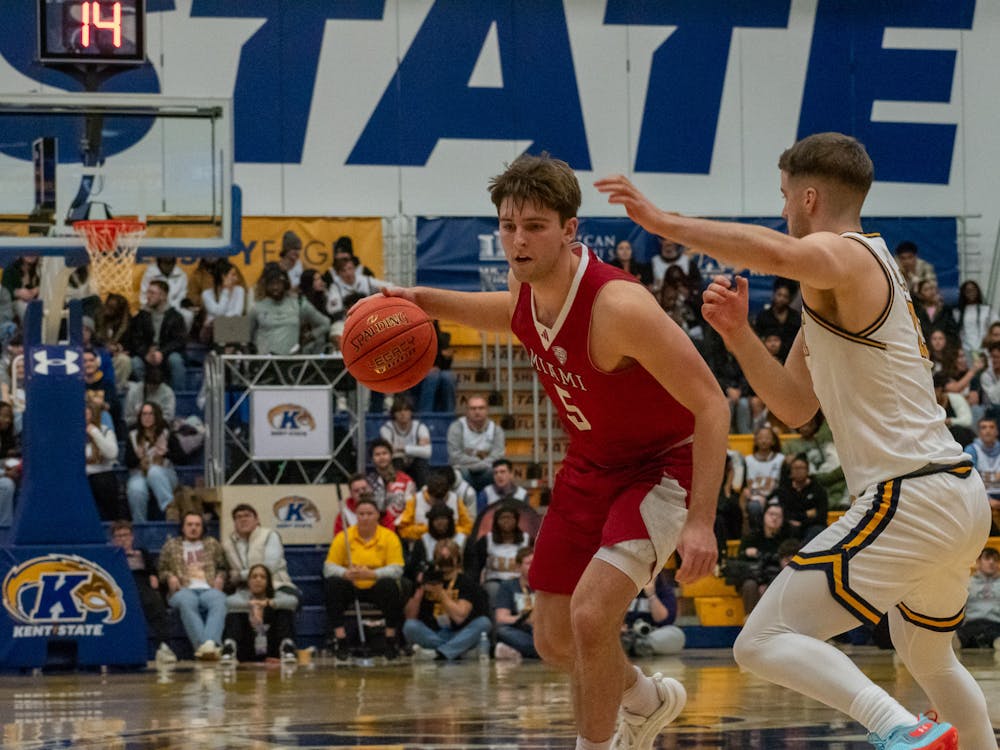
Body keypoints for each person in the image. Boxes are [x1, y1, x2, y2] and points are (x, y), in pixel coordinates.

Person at [597, 131, 994, 748]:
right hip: (951, 495)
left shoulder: (849, 256)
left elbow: (780, 254)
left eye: (785, 197)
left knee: (761, 641)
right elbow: (795, 407)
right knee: (932, 659)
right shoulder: (842, 284)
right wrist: (738, 336)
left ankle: (901, 730)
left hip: (910, 496)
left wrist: (661, 221)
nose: (782, 211)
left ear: (809, 198)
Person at [381, 154, 728, 749]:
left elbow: (713, 404)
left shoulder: (620, 307)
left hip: (661, 465)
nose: (518, 239)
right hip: (591, 462)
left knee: (592, 617)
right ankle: (644, 700)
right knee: (555, 639)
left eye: (535, 225)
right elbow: (509, 313)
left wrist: (700, 521)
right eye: (509, 225)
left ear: (570, 230)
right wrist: (422, 300)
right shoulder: (528, 284)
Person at [323, 496, 405, 660]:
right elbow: (328, 568)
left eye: (369, 513)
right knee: (332, 584)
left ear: (377, 516)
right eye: (361, 514)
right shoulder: (344, 536)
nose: (365, 517)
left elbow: (397, 569)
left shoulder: (389, 537)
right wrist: (344, 573)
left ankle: (390, 639)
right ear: (356, 515)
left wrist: (373, 574)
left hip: (376, 585)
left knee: (391, 585)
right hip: (351, 585)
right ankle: (341, 639)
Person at [402, 538, 492, 661]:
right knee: (409, 626)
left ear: (457, 560)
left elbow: (459, 617)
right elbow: (410, 617)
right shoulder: (427, 579)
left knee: (484, 623)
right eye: (441, 559)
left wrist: (441, 593)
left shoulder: (466, 582)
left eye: (449, 559)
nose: (445, 563)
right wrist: (419, 591)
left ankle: (439, 653)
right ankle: (458, 651)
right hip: (434, 633)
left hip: (460, 632)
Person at [157, 511, 229, 660]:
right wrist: (170, 576)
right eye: (189, 524)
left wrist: (220, 577)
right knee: (187, 601)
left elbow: (223, 567)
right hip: (182, 589)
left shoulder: (212, 544)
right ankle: (205, 646)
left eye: (197, 525)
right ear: (183, 528)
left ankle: (208, 644)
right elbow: (161, 570)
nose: (194, 528)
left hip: (208, 588)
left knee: (220, 599)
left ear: (202, 528)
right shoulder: (171, 545)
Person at [109, 521, 176, 666]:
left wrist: (153, 575)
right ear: (113, 539)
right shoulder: (110, 555)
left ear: (132, 537)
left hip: (142, 582)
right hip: (121, 585)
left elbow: (152, 570)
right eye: (118, 536)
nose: (122, 539)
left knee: (154, 601)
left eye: (126, 535)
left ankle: (164, 647)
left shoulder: (141, 552)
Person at [221, 504, 299, 613]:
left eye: (247, 516)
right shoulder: (228, 544)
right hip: (245, 589)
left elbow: (269, 567)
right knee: (225, 604)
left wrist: (241, 575)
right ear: (234, 523)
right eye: (238, 517)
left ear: (257, 520)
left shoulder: (270, 535)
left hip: (275, 584)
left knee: (290, 601)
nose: (243, 519)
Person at [727, 502, 798, 615]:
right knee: (749, 585)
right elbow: (740, 562)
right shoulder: (751, 537)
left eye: (778, 516)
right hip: (753, 577)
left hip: (777, 577)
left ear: (783, 519)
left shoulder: (788, 537)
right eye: (771, 514)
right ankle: (749, 622)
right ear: (764, 515)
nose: (774, 518)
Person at [220, 564, 298, 664]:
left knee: (284, 611)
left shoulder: (275, 595)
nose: (258, 580)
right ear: (248, 581)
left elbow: (293, 601)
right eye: (254, 576)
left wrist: (268, 603)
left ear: (268, 581)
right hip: (247, 646)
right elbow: (229, 602)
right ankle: (229, 649)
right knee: (233, 614)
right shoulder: (242, 595)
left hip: (271, 646)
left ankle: (287, 648)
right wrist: (251, 606)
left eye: (262, 577)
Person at [465, 500, 532, 607]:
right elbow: (476, 566)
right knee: (492, 589)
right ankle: (496, 620)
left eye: (510, 517)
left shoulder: (527, 540)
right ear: (496, 521)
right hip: (495, 581)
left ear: (516, 520)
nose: (506, 521)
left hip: (519, 582)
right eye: (502, 518)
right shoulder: (487, 540)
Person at [249, 268, 330, 355]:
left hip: (291, 362)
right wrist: (255, 346)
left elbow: (325, 323)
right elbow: (242, 335)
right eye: (271, 284)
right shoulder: (257, 307)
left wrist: (309, 337)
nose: (275, 287)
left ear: (285, 284)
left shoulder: (299, 304)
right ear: (266, 286)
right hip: (264, 362)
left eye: (278, 283)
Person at [127, 279, 188, 393]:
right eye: (148, 292)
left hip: (166, 354)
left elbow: (179, 341)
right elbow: (135, 340)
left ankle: (179, 397)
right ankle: (145, 394)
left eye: (152, 293)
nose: (148, 296)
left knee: (175, 360)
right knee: (135, 362)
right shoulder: (141, 316)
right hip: (146, 354)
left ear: (163, 296)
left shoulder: (175, 316)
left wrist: (161, 352)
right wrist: (146, 354)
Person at [125, 401, 179, 522]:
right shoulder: (133, 435)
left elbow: (182, 458)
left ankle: (170, 509)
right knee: (135, 488)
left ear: (157, 416)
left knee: (154, 472)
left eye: (151, 414)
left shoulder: (166, 434)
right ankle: (140, 524)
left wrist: (166, 453)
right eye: (144, 414)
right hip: (140, 473)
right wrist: (138, 457)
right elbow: (128, 462)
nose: (147, 417)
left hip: (164, 473)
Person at [396, 468, 474, 545]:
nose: (439, 503)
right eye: (435, 499)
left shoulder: (456, 500)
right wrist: (428, 530)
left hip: (452, 548)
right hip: (421, 549)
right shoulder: (415, 501)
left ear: (447, 493)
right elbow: (402, 529)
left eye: (443, 499)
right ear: (428, 493)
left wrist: (449, 530)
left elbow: (469, 528)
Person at [447, 394, 506, 492]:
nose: (477, 411)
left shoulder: (496, 430)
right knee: (459, 474)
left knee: (500, 473)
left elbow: (498, 456)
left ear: (487, 410)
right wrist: (480, 463)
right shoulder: (456, 427)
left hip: (487, 471)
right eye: (473, 408)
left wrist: (479, 465)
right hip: (463, 470)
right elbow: (455, 456)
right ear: (467, 411)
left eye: (481, 408)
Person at [493, 545, 539, 661]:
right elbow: (501, 618)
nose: (533, 566)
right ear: (518, 567)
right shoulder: (508, 586)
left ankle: (521, 652)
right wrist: (523, 619)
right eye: (528, 563)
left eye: (535, 562)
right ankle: (541, 652)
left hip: (541, 628)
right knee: (502, 631)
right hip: (521, 629)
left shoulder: (545, 585)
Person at [772, 454, 829, 543]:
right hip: (790, 526)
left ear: (807, 470)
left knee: (817, 530)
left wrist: (801, 521)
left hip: (812, 527)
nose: (798, 471)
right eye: (795, 468)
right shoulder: (784, 489)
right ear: (790, 471)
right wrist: (806, 514)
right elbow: (784, 513)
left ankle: (800, 554)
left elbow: (821, 516)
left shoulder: (818, 489)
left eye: (801, 468)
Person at [379, 396, 431, 488]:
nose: (403, 413)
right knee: (397, 461)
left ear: (411, 412)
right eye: (399, 411)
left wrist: (402, 448)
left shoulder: (420, 427)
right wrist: (416, 447)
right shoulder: (386, 428)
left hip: (415, 465)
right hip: (397, 464)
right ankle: (396, 491)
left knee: (421, 463)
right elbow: (389, 451)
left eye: (406, 410)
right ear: (394, 413)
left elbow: (427, 452)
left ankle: (424, 494)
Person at [954, 547, 1000, 650]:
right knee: (959, 636)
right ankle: (956, 643)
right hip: (970, 626)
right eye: (987, 558)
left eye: (995, 559)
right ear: (978, 562)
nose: (991, 562)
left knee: (997, 637)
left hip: (996, 626)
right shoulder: (966, 583)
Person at [85, 400, 123, 520]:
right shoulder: (74, 434)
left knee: (102, 481)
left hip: (103, 476)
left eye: (86, 415)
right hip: (82, 477)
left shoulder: (105, 431)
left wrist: (95, 433)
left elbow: (112, 454)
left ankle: (113, 521)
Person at [366, 438, 416, 529]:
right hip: (376, 529)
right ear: (372, 459)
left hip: (401, 528)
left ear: (391, 455)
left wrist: (397, 524)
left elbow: (410, 509)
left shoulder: (406, 480)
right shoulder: (367, 482)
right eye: (377, 454)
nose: (381, 457)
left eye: (384, 453)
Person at [964, 416, 1000, 535]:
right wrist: (987, 500)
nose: (988, 430)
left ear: (997, 431)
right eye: (984, 427)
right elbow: (969, 481)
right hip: (981, 496)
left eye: (991, 427)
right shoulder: (971, 450)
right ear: (979, 432)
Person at [954, 280, 995, 361]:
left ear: (978, 291)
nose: (971, 293)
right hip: (966, 351)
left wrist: (989, 338)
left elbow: (996, 327)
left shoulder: (987, 310)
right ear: (963, 293)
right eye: (968, 291)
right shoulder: (957, 312)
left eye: (973, 290)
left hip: (986, 350)